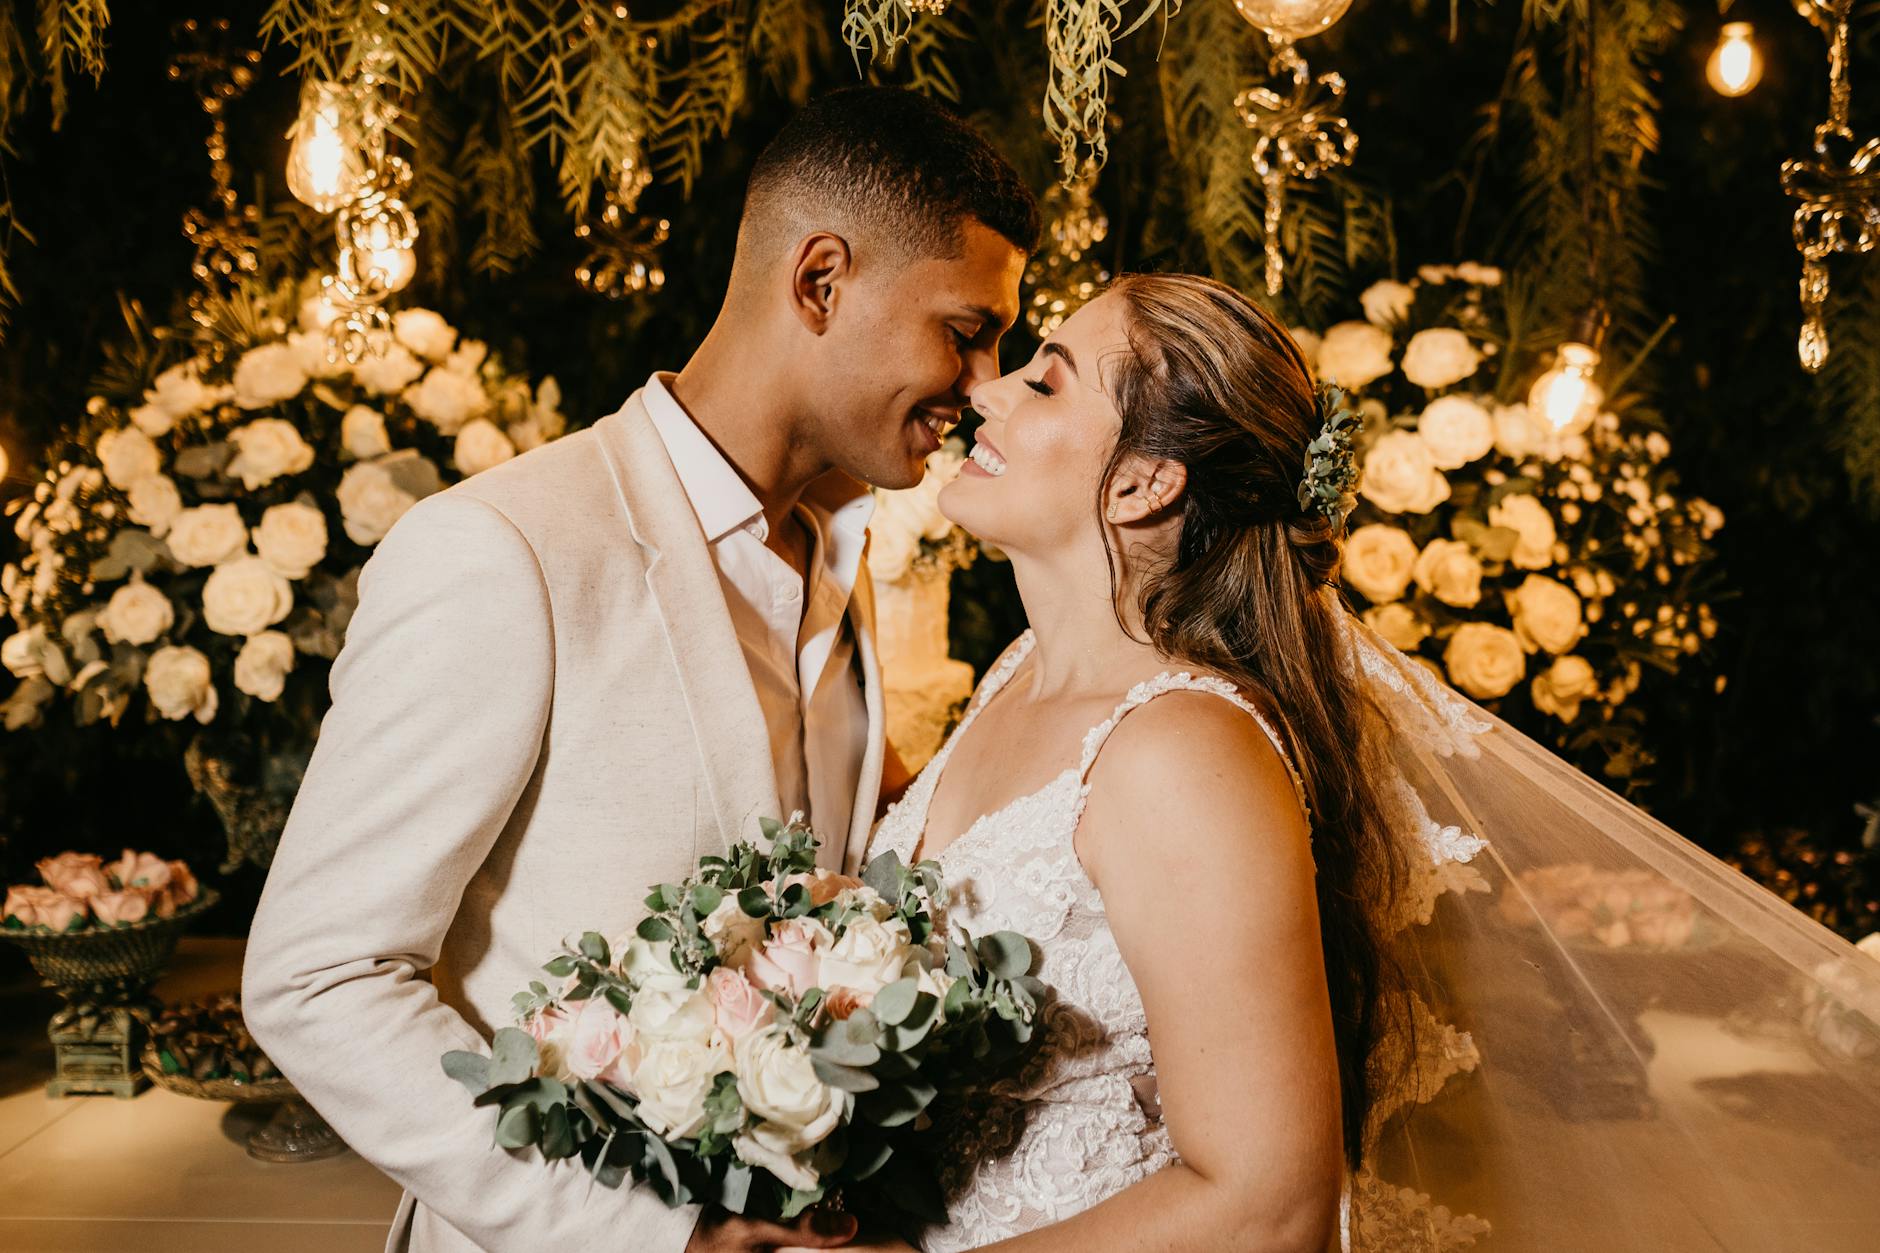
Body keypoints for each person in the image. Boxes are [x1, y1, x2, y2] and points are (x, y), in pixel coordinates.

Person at [805, 272, 1880, 1253]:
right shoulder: (1016, 672)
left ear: (1140, 483)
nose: (987, 394)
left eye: (1045, 381)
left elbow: (1266, 1204)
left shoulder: (1179, 753)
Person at [241, 86, 1036, 1253]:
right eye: (966, 331)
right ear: (818, 282)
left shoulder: (840, 562)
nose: (983, 384)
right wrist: (648, 1236)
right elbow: (319, 974)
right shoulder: (506, 549)